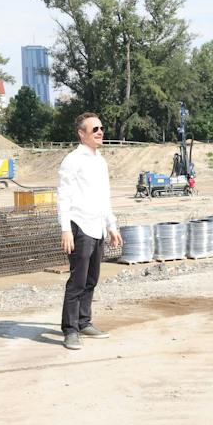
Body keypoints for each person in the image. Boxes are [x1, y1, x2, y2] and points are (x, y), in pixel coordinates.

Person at [57, 112, 122, 350]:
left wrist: (111, 226)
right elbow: (63, 196)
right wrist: (65, 229)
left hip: (97, 227)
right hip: (79, 226)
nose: (100, 132)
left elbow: (104, 197)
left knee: (92, 279)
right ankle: (70, 329)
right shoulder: (72, 160)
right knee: (78, 280)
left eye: (101, 128)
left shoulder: (100, 161)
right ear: (81, 134)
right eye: (94, 129)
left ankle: (84, 321)